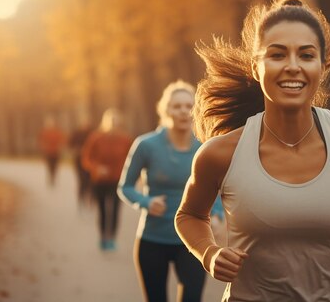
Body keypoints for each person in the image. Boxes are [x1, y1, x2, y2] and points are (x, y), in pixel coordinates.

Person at [174, 0, 330, 302]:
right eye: (277, 55)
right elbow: (189, 215)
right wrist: (209, 253)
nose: (292, 67)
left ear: (322, 64)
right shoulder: (220, 153)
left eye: (306, 55)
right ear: (256, 66)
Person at [118, 80, 224, 302]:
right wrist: (146, 202)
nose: (184, 111)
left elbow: (218, 185)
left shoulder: (206, 146)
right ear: (166, 110)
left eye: (189, 106)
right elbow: (125, 187)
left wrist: (216, 213)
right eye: (177, 106)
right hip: (153, 239)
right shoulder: (146, 145)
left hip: (194, 240)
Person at [81, 108, 133, 250]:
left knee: (115, 210)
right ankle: (103, 237)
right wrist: (97, 168)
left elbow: (132, 159)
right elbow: (86, 158)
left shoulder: (125, 139)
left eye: (116, 121)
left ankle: (112, 238)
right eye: (111, 121)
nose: (113, 124)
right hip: (100, 181)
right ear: (105, 121)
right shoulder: (96, 137)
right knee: (103, 210)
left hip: (118, 180)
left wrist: (131, 175)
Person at [69, 116, 94, 207]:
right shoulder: (77, 133)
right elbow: (70, 144)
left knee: (91, 181)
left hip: (91, 161)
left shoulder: (93, 134)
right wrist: (77, 149)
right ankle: (81, 198)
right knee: (81, 179)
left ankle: (90, 199)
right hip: (79, 159)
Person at [37, 116, 66, 185]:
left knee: (55, 166)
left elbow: (62, 139)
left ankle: (53, 177)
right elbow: (40, 141)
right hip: (48, 152)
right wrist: (43, 147)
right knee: (49, 166)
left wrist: (61, 146)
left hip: (56, 152)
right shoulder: (44, 132)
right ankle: (51, 177)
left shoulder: (57, 131)